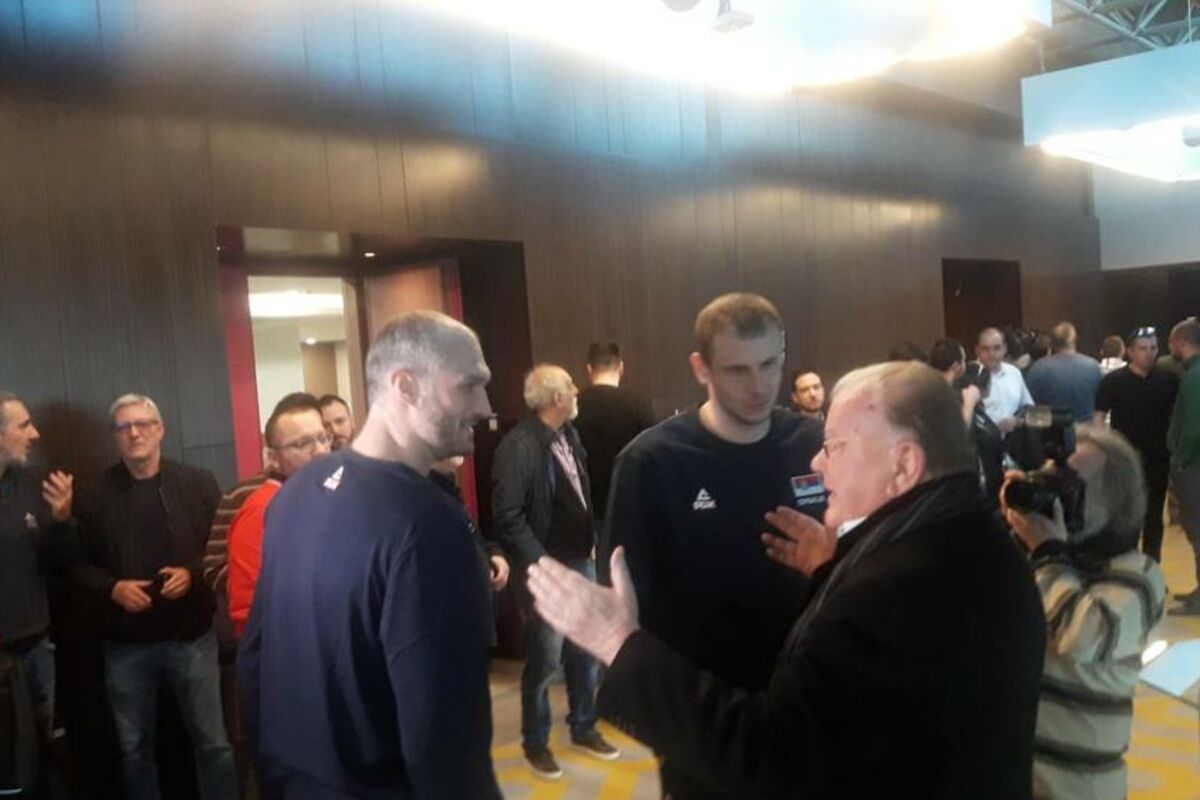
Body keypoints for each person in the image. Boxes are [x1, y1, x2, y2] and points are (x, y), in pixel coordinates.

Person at [529, 361, 1045, 798]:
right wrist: (836, 567)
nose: (818, 464)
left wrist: (616, 642)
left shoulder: (895, 590)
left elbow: (772, 759)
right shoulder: (977, 542)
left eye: (835, 446)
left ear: (904, 464)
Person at [238, 311, 502, 799]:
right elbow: (443, 735)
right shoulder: (431, 524)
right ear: (406, 386)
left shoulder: (296, 493)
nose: (485, 407)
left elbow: (255, 661)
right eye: (469, 386)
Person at [606, 293, 824, 799]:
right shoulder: (653, 463)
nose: (759, 385)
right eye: (737, 370)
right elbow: (626, 603)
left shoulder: (812, 443)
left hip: (804, 700)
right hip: (703, 715)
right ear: (700, 368)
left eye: (770, 365)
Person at [72, 394, 236, 800]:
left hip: (192, 639)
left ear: (160, 430)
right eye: (123, 427)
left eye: (143, 424)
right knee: (134, 752)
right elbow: (74, 564)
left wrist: (192, 574)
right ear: (114, 436)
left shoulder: (198, 482)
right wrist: (112, 588)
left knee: (214, 745)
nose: (134, 433)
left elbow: (223, 546)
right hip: (126, 644)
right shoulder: (94, 494)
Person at [1003, 427, 1166, 799]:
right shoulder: (1045, 565)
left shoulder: (1137, 574)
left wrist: (1048, 553)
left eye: (1070, 487)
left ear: (1115, 503)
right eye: (1049, 481)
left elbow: (1084, 637)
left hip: (1078, 787)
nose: (1056, 498)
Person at [492, 364, 618, 780]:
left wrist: (592, 540)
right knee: (545, 659)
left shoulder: (569, 435)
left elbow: (579, 495)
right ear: (556, 398)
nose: (577, 391)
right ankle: (535, 741)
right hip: (546, 569)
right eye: (570, 386)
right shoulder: (519, 446)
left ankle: (583, 725)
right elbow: (508, 516)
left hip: (581, 559)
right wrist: (543, 563)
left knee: (585, 650)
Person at [0, 392, 75, 795]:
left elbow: (57, 564)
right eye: (23, 425)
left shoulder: (33, 484)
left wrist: (61, 521)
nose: (35, 433)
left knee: (47, 757)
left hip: (37, 647)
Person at [226, 394, 330, 638]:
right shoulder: (261, 511)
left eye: (323, 438)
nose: (320, 451)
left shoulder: (326, 499)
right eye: (303, 443)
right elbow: (247, 614)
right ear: (273, 458)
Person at [1094, 327, 1178, 563]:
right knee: (1127, 516)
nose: (1149, 353)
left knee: (1154, 516)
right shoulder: (1113, 382)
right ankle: (1129, 564)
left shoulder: (1168, 381)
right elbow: (1099, 418)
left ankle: (1151, 565)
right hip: (1125, 458)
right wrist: (1102, 452)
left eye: (1153, 348)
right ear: (1130, 352)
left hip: (1159, 458)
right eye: (1143, 348)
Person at [573, 342, 656, 581]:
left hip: (586, 506)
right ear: (620, 367)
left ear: (589, 369)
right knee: (628, 573)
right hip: (628, 501)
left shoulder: (574, 405)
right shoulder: (638, 404)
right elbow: (651, 454)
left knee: (594, 575)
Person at [929, 338, 1003, 509]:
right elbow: (957, 436)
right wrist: (970, 401)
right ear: (957, 367)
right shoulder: (944, 396)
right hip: (953, 481)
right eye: (964, 360)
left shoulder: (930, 389)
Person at [1167, 318, 1200, 615]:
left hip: (1193, 467)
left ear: (1182, 343)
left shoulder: (1193, 378)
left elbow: (1192, 427)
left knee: (1197, 530)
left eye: (1171, 342)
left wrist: (1179, 459)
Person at [1025, 322, 1102, 424]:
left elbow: (1029, 406)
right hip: (1087, 429)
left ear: (1052, 343)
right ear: (1075, 341)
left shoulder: (1038, 368)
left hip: (1051, 429)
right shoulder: (1093, 366)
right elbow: (1101, 404)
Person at [976, 326, 1033, 432]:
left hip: (1014, 438)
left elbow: (1028, 407)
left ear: (1005, 349)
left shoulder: (1014, 373)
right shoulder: (969, 377)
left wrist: (1016, 421)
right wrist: (994, 430)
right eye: (985, 349)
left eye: (996, 348)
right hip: (983, 440)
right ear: (977, 350)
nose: (991, 354)